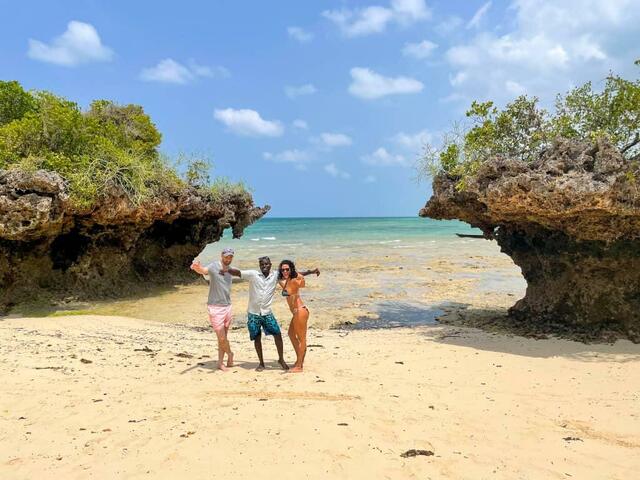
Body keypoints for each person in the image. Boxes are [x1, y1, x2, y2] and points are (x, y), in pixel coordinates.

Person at [225, 256, 319, 371]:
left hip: (279, 312)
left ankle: (289, 362)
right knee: (263, 337)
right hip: (255, 313)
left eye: (266, 264)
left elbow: (296, 275)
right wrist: (225, 268)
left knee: (281, 336)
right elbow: (238, 272)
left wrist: (310, 272)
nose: (264, 266)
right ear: (260, 265)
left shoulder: (282, 277)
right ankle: (264, 363)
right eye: (262, 264)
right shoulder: (256, 275)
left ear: (270, 265)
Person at [190, 247, 236, 372]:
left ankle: (220, 363)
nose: (228, 259)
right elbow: (204, 271)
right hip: (215, 307)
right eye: (226, 256)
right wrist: (197, 268)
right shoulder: (214, 266)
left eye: (230, 257)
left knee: (223, 337)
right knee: (221, 338)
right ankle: (230, 354)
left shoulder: (231, 270)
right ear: (222, 255)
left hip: (228, 306)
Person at [278, 259, 317, 373]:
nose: (285, 271)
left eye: (287, 269)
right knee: (291, 334)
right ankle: (299, 359)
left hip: (300, 311)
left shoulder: (294, 280)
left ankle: (299, 365)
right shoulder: (286, 281)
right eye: (283, 270)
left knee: (302, 338)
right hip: (295, 313)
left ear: (291, 270)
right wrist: (311, 271)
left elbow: (302, 282)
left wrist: (303, 276)